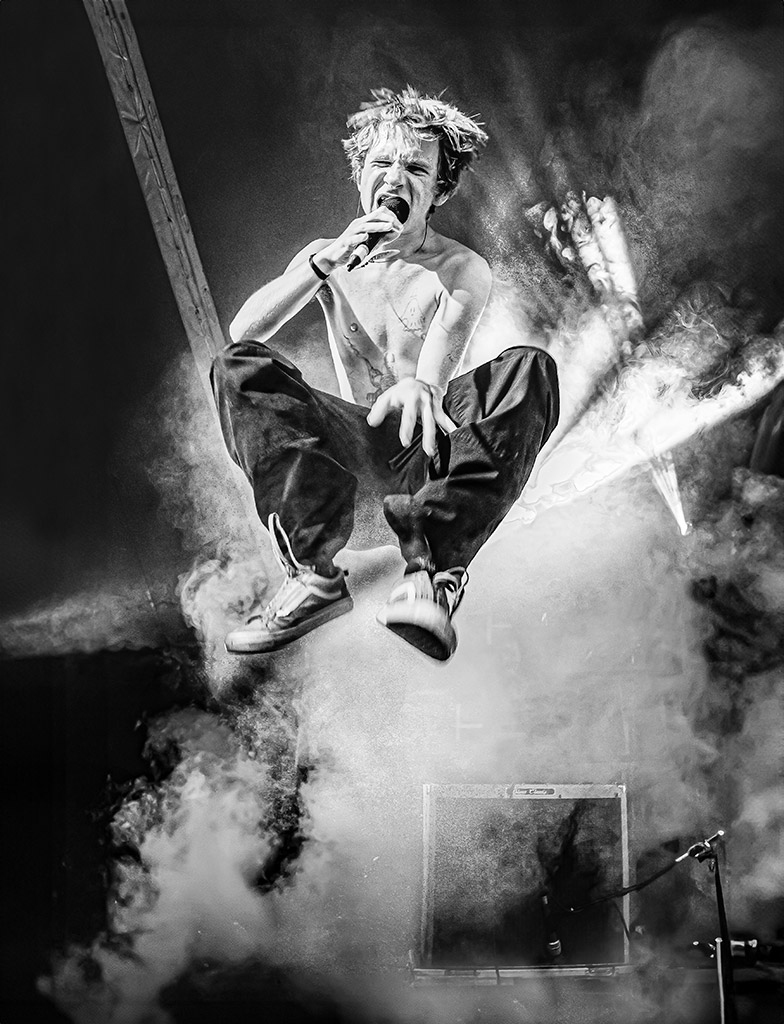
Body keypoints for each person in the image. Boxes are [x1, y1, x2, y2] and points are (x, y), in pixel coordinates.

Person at [211, 87, 559, 661]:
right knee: (238, 367)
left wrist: (423, 384)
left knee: (529, 371)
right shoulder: (330, 255)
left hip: (425, 459)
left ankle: (433, 577)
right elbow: (244, 331)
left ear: (439, 190)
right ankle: (317, 575)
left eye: (415, 168)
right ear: (360, 176)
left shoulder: (461, 267)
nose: (395, 177)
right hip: (354, 476)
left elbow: (440, 357)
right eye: (381, 163)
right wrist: (327, 260)